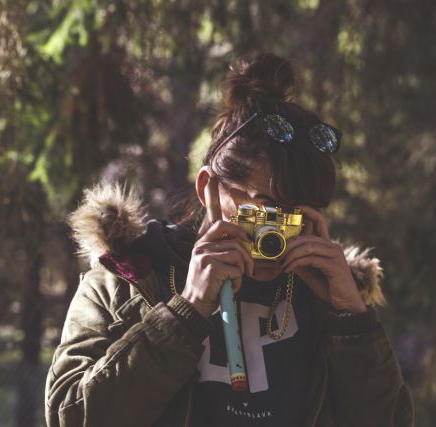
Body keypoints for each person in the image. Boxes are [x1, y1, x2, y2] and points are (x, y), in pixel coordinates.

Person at [45, 52, 414, 427]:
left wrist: (352, 320)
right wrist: (183, 314)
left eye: (299, 214)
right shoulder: (130, 276)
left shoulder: (325, 296)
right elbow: (69, 417)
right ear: (209, 190)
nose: (280, 229)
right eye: (266, 209)